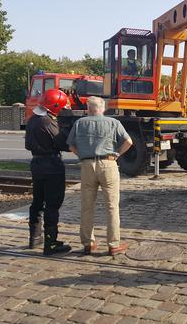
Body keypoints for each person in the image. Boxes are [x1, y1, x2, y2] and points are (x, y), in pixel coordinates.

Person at [67, 96, 133, 256]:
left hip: (87, 165)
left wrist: (83, 156)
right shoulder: (113, 123)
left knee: (87, 206)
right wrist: (116, 154)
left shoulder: (79, 123)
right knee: (112, 206)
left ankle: (88, 243)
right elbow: (129, 142)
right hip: (108, 164)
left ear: (88, 109)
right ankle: (113, 244)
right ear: (102, 108)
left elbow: (71, 147)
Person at [24, 89, 72, 255]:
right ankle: (51, 244)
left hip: (37, 163)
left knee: (37, 201)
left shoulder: (32, 119)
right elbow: (63, 143)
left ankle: (35, 238)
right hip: (51, 165)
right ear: (56, 105)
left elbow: (28, 145)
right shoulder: (47, 121)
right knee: (52, 204)